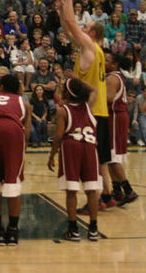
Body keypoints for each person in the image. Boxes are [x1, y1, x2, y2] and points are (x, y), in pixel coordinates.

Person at [55, 0, 115, 211]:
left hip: (92, 111)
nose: (81, 28)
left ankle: (98, 197)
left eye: (86, 26)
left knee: (92, 159)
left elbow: (72, 24)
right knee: (99, 158)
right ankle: (107, 194)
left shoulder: (91, 46)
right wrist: (61, 9)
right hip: (96, 110)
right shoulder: (87, 49)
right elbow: (67, 27)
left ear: (92, 34)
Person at [47, 78, 101, 242]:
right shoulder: (88, 106)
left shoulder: (63, 110)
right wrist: (77, 80)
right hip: (90, 148)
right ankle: (93, 229)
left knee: (72, 191)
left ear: (67, 92)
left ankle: (73, 229)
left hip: (72, 147)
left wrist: (51, 155)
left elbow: (58, 136)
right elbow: (94, 90)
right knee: (92, 190)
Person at [0, 74, 32, 246]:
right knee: (12, 182)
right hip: (13, 132)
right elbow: (27, 132)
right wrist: (21, 152)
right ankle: (13, 231)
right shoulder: (24, 103)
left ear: (0, 86)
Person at [105, 52, 139, 206]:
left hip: (116, 116)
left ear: (114, 65)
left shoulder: (112, 78)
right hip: (116, 116)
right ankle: (117, 190)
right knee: (109, 156)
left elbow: (108, 99)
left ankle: (129, 190)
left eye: (107, 60)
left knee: (112, 157)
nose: (104, 62)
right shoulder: (114, 76)